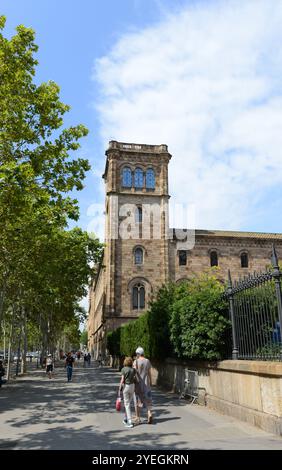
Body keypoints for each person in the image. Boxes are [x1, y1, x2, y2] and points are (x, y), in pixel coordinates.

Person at [133, 346, 153, 424]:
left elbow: (134, 373)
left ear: (138, 353)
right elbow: (149, 373)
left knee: (138, 400)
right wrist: (151, 381)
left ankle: (138, 417)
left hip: (138, 384)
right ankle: (149, 413)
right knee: (148, 400)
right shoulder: (147, 361)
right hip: (146, 383)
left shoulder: (136, 362)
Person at [118, 356, 136, 428]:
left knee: (127, 404)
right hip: (132, 386)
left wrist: (119, 388)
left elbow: (122, 380)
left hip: (126, 387)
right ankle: (126, 419)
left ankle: (130, 422)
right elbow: (135, 377)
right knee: (128, 403)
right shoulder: (133, 370)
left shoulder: (123, 369)